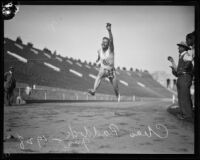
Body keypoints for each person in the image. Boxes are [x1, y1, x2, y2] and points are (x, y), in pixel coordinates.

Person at [88, 23, 120, 102]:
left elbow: (111, 40)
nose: (103, 43)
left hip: (111, 71)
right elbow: (99, 55)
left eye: (105, 42)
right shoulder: (99, 50)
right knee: (98, 76)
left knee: (115, 88)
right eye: (103, 41)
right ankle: (94, 91)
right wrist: (97, 59)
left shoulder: (111, 50)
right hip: (103, 69)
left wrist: (109, 31)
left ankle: (118, 95)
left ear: (108, 44)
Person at [168, 41, 193, 120]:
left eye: (180, 46)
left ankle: (187, 115)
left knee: (184, 97)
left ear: (184, 48)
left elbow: (190, 60)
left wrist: (185, 68)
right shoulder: (181, 56)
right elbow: (178, 70)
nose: (178, 48)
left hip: (184, 77)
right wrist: (172, 62)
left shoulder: (185, 55)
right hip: (181, 77)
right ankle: (184, 114)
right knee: (181, 97)